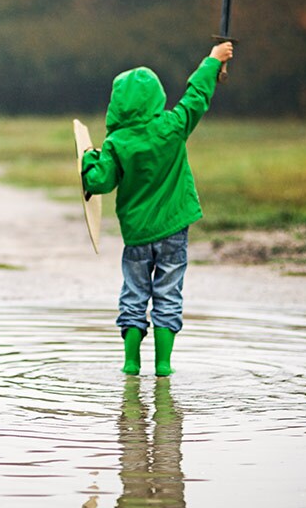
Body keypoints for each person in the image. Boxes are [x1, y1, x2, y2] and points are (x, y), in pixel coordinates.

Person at [81, 42, 234, 376]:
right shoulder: (172, 127)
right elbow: (197, 96)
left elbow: (98, 183)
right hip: (174, 231)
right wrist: (213, 60)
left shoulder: (116, 144)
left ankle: (131, 362)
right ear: (157, 98)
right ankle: (164, 365)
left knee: (134, 294)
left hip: (137, 236)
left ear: (116, 105)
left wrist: (89, 158)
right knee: (168, 293)